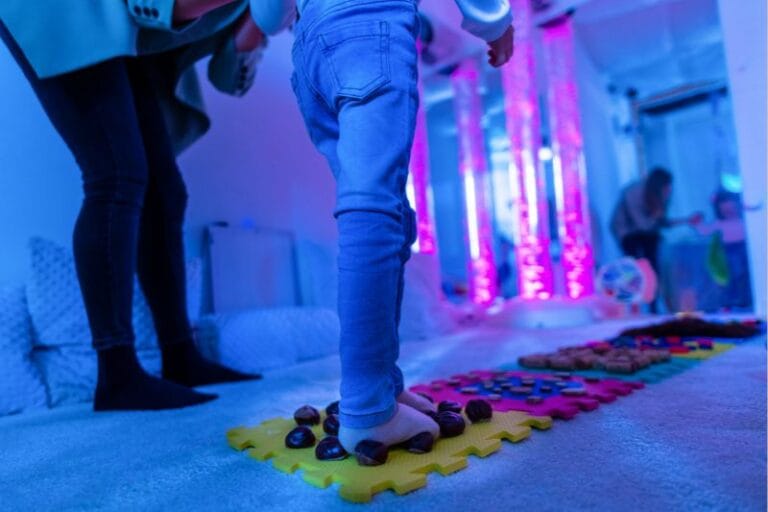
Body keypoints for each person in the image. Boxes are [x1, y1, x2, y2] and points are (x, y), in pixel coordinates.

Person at [0, 0, 292, 411]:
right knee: (115, 176)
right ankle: (116, 374)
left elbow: (230, 76)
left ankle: (180, 356)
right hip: (67, 8)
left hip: (120, 25)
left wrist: (261, 16)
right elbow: (157, 5)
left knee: (165, 191)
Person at [281, 0, 515, 452]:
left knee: (389, 215)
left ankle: (384, 385)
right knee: (373, 208)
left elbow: (269, 14)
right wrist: (495, 20)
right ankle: (367, 408)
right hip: (369, 28)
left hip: (308, 51)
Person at [610, 167, 700, 278]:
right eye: (667, 186)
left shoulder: (659, 198)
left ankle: (654, 286)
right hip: (626, 231)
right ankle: (639, 285)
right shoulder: (633, 193)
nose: (670, 190)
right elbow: (642, 225)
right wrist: (656, 216)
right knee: (637, 263)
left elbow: (661, 223)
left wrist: (686, 220)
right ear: (659, 185)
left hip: (646, 233)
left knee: (656, 254)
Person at [692, 189, 753, 309]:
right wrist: (698, 224)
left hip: (745, 248)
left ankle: (744, 298)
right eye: (725, 210)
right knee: (734, 275)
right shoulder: (720, 223)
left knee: (745, 275)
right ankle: (732, 299)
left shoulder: (744, 220)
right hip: (730, 250)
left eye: (731, 209)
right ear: (719, 210)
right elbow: (705, 231)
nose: (729, 212)